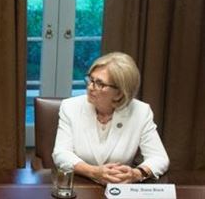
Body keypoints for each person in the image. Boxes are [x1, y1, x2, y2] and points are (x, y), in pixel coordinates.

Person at [52, 52, 169, 184]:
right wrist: (93, 172)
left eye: (100, 84)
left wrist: (136, 174)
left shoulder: (141, 112)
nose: (90, 87)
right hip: (80, 185)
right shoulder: (70, 107)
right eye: (91, 80)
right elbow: (61, 154)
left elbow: (159, 158)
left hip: (120, 187)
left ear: (119, 93)